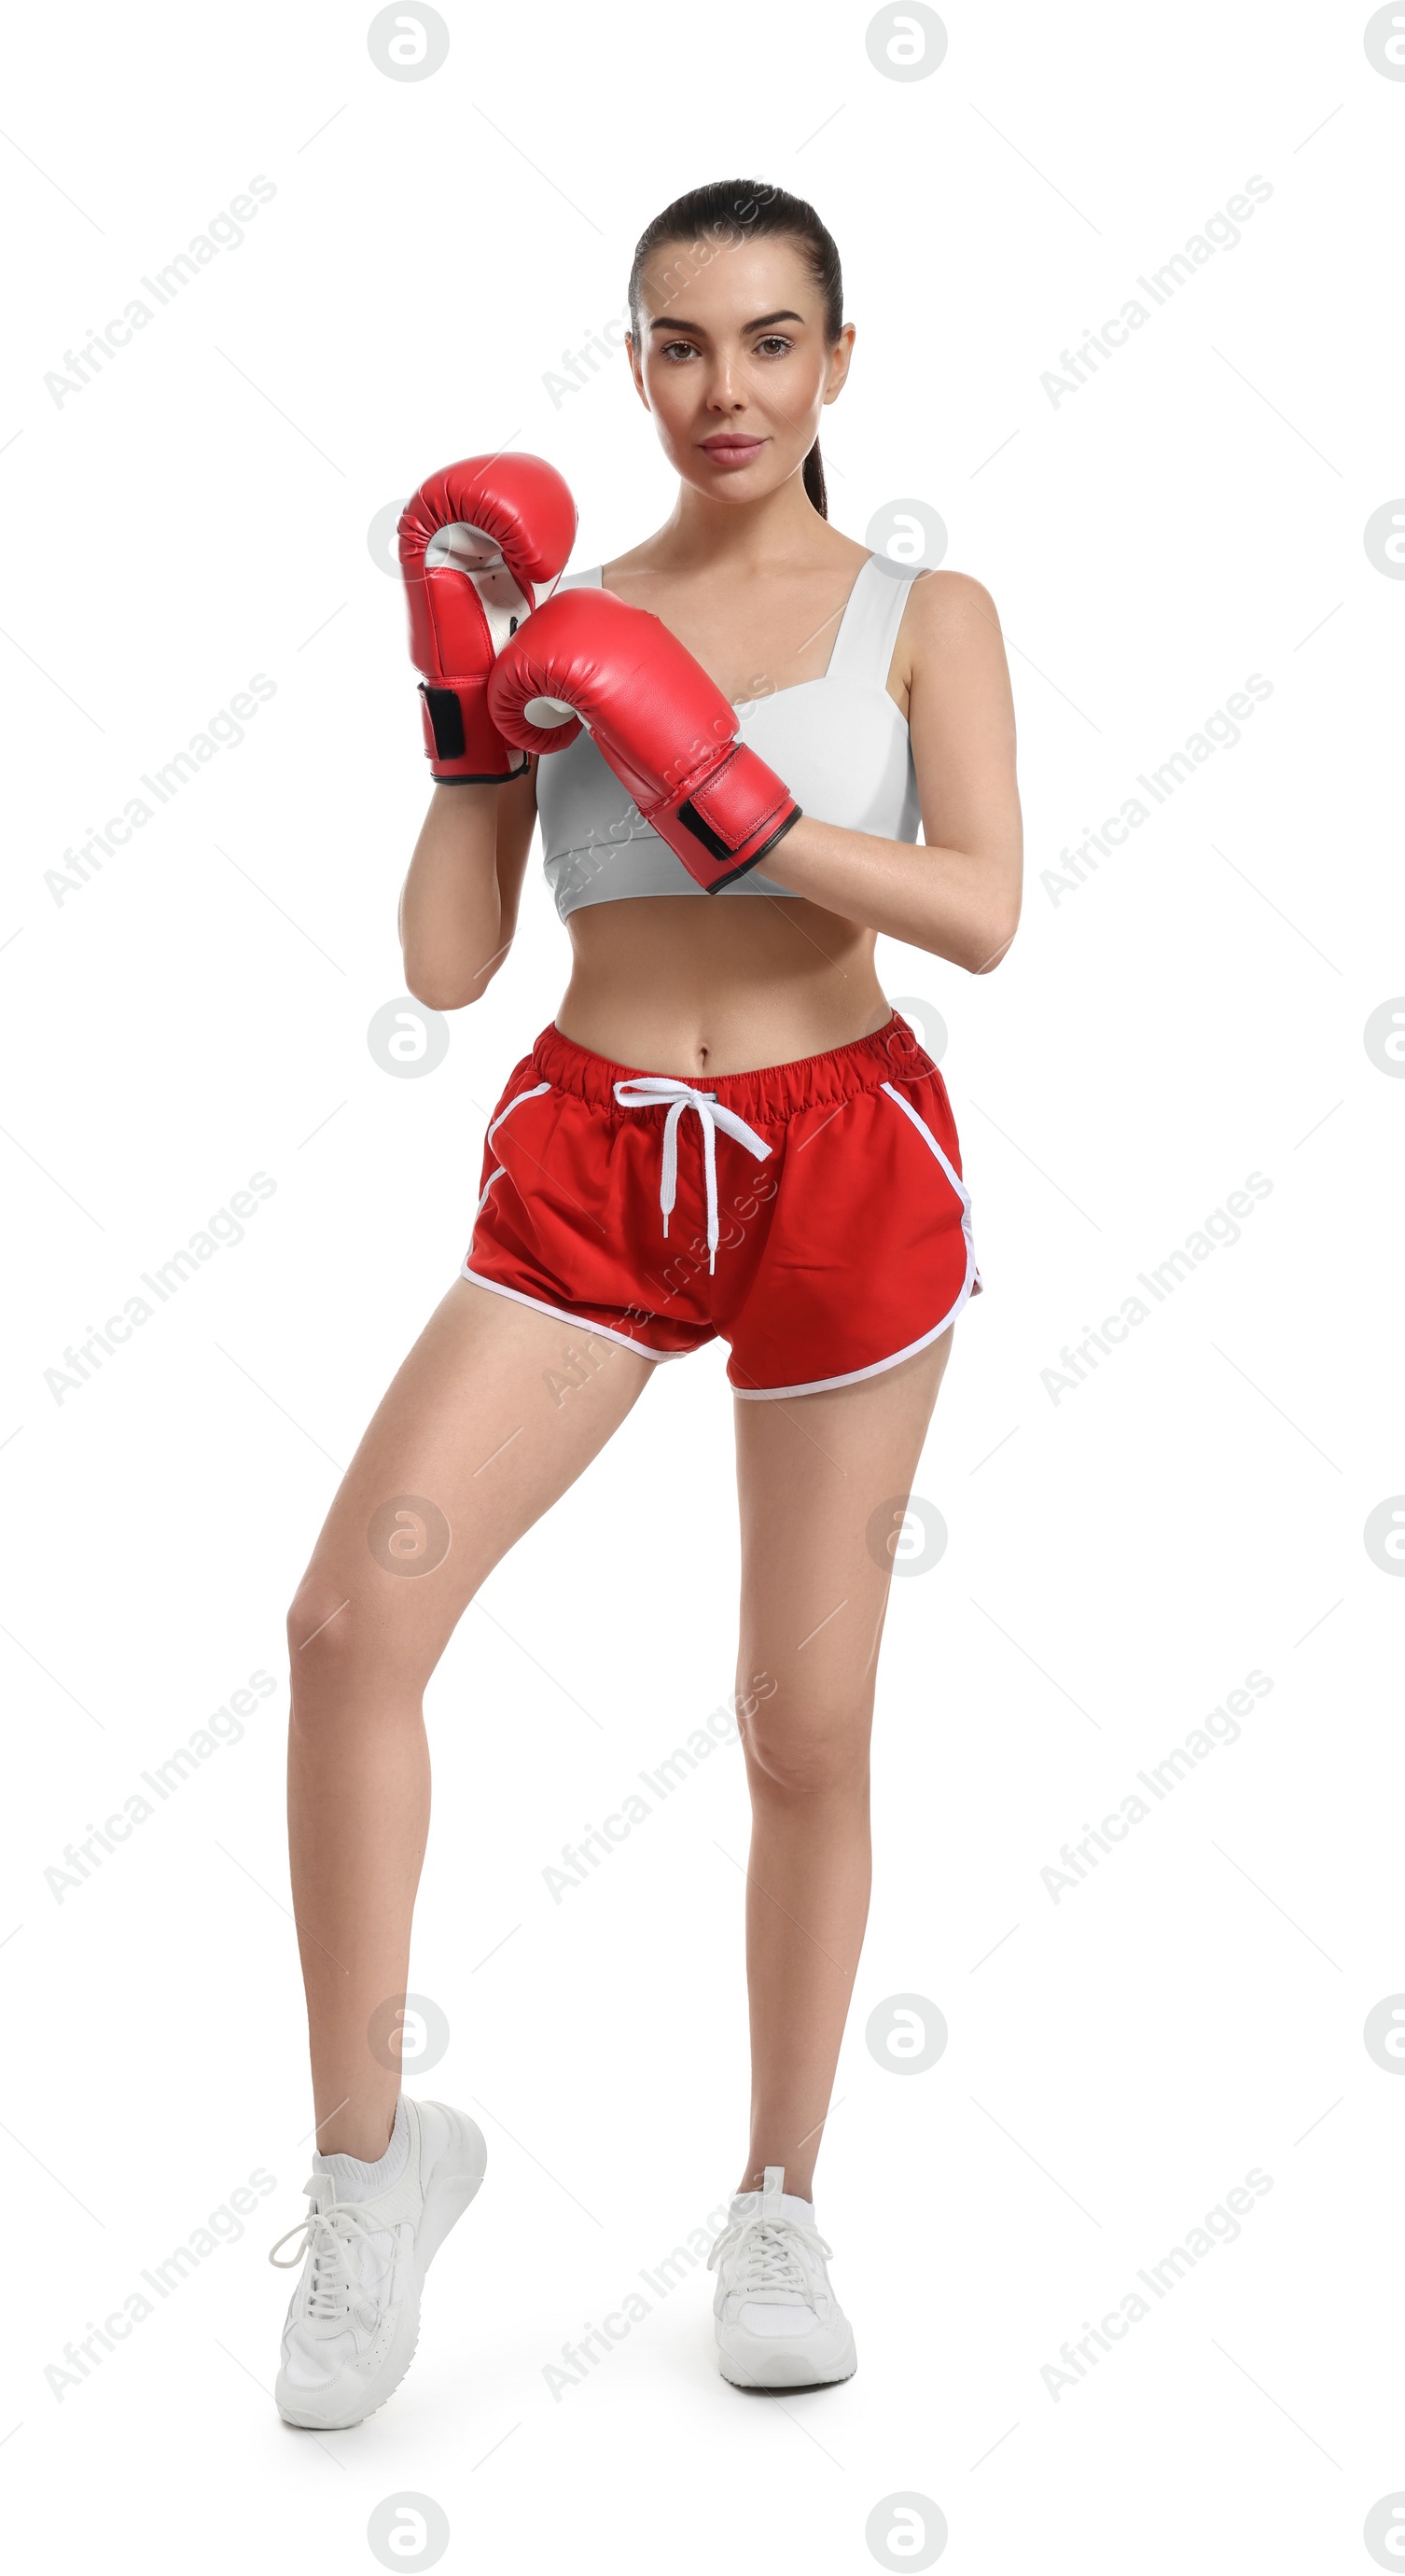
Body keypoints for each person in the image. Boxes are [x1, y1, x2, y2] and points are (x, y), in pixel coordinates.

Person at [269, 176, 1022, 2429]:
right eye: (680, 345)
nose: (725, 389)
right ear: (631, 365)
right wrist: (457, 713)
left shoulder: (922, 609)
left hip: (840, 1156)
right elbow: (436, 963)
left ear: (836, 362)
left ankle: (777, 2196)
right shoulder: (554, 615)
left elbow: (979, 909)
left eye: (769, 342)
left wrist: (732, 795)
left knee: (798, 1726)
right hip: (599, 1156)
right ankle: (370, 2170)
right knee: (345, 1627)